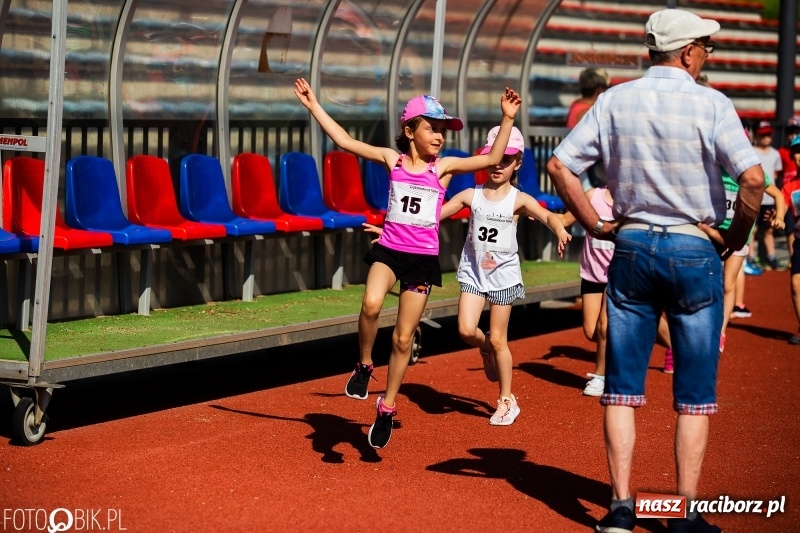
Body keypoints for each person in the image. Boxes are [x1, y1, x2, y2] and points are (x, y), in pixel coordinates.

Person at [545, 9, 764, 533]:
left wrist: (596, 224)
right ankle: (683, 514)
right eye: (705, 49)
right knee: (693, 395)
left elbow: (559, 165)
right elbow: (752, 181)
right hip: (694, 248)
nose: (708, 56)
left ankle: (622, 508)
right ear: (687, 52)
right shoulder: (712, 103)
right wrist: (734, 239)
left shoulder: (614, 100)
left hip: (633, 244)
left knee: (621, 387)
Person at [293, 78, 522, 449]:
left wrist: (507, 118)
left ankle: (387, 406)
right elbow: (346, 142)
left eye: (444, 131)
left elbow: (492, 159)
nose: (440, 137)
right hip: (389, 250)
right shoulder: (392, 159)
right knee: (369, 304)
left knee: (402, 338)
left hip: (421, 261)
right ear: (410, 130)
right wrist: (313, 105)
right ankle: (365, 365)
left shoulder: (444, 168)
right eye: (433, 128)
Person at [441, 126, 571, 425]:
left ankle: (506, 400)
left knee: (500, 338)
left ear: (518, 163)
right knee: (464, 330)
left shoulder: (519, 200)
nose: (499, 165)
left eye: (507, 159)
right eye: (495, 158)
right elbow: (432, 216)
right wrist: (393, 228)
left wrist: (561, 229)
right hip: (474, 273)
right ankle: (484, 348)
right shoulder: (470, 195)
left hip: (504, 277)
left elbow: (549, 216)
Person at [558, 188, 674, 397]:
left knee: (605, 328)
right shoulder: (591, 196)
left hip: (621, 272)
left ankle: (601, 377)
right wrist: (540, 216)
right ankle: (674, 345)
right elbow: (565, 220)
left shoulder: (637, 201)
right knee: (592, 332)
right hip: (592, 275)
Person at [720, 165, 785, 352]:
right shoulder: (715, 167)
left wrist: (779, 216)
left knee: (727, 284)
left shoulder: (753, 173)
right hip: (716, 234)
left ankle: (720, 332)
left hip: (740, 236)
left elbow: (778, 195)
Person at [749, 121, 784, 270]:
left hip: (769, 199)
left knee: (769, 229)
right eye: (763, 134)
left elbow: (775, 175)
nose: (766, 137)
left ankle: (771, 257)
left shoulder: (775, 154)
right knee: (752, 230)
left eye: (769, 134)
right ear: (756, 135)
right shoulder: (751, 151)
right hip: (753, 197)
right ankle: (750, 257)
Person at [782, 136, 800, 344]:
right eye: (797, 151)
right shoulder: (790, 187)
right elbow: (782, 207)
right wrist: (776, 218)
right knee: (796, 284)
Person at [779, 116, 800, 254]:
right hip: (790, 196)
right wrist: (778, 216)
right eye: (790, 131)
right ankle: (792, 258)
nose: (792, 135)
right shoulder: (781, 152)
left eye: (796, 131)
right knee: (790, 228)